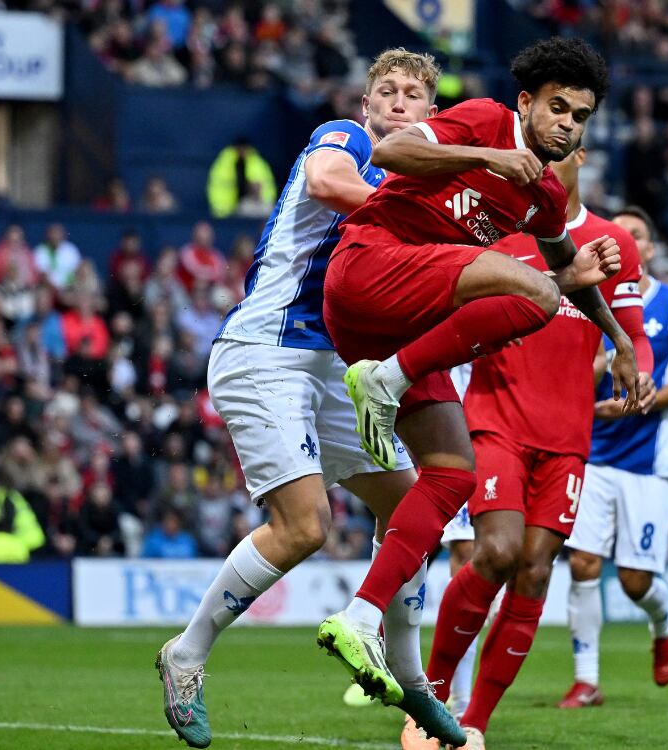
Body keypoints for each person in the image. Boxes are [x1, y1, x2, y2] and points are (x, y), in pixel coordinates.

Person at [314, 37, 640, 717]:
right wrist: (487, 155)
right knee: (536, 296)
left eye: (580, 117)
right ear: (526, 102)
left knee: (451, 473)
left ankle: (361, 616)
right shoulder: (487, 119)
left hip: (397, 328)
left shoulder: (545, 200)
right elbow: (388, 153)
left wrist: (617, 341)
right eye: (557, 108)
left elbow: (568, 275)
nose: (567, 125)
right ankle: (391, 380)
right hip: (369, 268)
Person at [156, 48, 464, 750]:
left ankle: (414, 686)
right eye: (383, 90)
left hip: (333, 365)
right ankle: (187, 654)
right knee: (305, 527)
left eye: (411, 94)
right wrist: (427, 225)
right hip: (269, 350)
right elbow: (327, 183)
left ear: (432, 116)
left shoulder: (427, 187)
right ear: (365, 105)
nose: (395, 101)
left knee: (415, 510)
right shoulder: (345, 141)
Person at [413, 145, 656, 750]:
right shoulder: (494, 235)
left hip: (568, 437)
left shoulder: (610, 243)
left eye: (569, 143)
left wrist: (641, 368)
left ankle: (475, 726)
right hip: (497, 421)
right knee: (493, 552)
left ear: (582, 158)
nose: (553, 157)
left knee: (535, 569)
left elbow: (632, 331)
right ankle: (431, 700)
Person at [561, 204, 668, 709]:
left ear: (647, 249)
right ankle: (586, 681)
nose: (624, 241)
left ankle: (663, 624)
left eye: (637, 236)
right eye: (616, 233)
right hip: (594, 451)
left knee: (634, 580)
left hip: (650, 459)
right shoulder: (583, 297)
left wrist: (640, 402)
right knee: (582, 564)